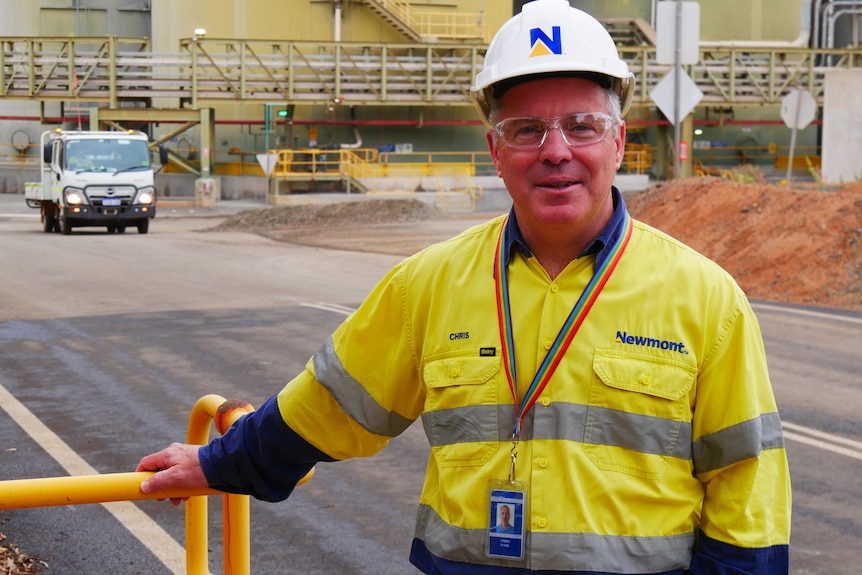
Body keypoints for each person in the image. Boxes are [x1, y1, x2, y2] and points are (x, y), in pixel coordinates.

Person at [137, 1, 792, 573]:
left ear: (619, 141)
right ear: (495, 147)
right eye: (526, 129)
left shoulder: (707, 300)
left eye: (582, 126)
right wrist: (219, 461)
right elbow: (329, 405)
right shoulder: (429, 283)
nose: (555, 150)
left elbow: (746, 490)